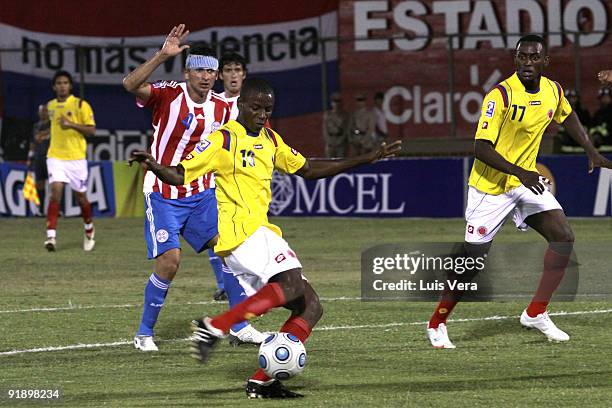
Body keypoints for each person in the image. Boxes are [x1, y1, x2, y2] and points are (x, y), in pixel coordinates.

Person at [129, 77, 401, 398]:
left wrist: (366, 159)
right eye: (255, 107)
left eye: (267, 109)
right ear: (240, 104)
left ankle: (261, 381)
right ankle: (215, 326)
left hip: (260, 233)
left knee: (311, 307)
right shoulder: (224, 140)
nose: (261, 114)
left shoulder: (271, 140)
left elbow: (309, 170)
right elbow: (181, 174)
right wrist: (154, 166)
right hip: (240, 234)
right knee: (291, 285)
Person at [426, 34, 612, 349]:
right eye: (522, 57)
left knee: (563, 237)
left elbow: (568, 117)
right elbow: (480, 148)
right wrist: (520, 171)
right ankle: (437, 322)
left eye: (533, 57)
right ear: (515, 59)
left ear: (544, 61)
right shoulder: (500, 96)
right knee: (472, 263)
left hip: (525, 183)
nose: (527, 63)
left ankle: (536, 313)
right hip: (491, 188)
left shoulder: (553, 90)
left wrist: (590, 151)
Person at [123, 25, 236, 352]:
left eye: (211, 71)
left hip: (201, 194)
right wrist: (162, 55)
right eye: (199, 69)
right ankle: (144, 333)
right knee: (170, 262)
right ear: (187, 72)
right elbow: (130, 85)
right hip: (162, 193)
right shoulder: (168, 94)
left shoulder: (223, 108)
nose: (206, 76)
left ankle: (239, 325)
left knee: (229, 250)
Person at [217, 51, 269, 346]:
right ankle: (237, 320)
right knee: (226, 247)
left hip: (243, 189)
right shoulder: (212, 104)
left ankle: (237, 317)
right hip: (212, 184)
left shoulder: (257, 105)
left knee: (229, 250)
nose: (234, 74)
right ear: (221, 75)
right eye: (229, 70)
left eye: (238, 69)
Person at [44, 70, 96, 252]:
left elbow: (92, 130)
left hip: (76, 159)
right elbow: (51, 127)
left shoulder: (81, 105)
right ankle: (51, 236)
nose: (62, 86)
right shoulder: (49, 106)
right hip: (55, 156)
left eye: (65, 82)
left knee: (81, 197)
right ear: (54, 86)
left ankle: (89, 228)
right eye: (58, 83)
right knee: (55, 190)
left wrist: (71, 124)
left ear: (70, 86)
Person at [27, 104, 50, 214]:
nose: (43, 113)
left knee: (54, 185)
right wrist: (30, 157)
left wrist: (42, 134)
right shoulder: (36, 126)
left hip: (50, 157)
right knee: (40, 183)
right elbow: (32, 142)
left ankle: (57, 210)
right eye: (41, 111)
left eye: (45, 111)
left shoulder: (52, 125)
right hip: (39, 157)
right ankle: (41, 210)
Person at [322, 92, 349, 157]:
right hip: (330, 141)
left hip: (341, 141)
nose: (336, 103)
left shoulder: (345, 115)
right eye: (334, 101)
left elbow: (346, 129)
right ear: (331, 103)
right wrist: (329, 141)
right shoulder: (327, 115)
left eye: (338, 101)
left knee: (341, 162)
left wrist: (340, 141)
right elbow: (324, 129)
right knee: (329, 162)